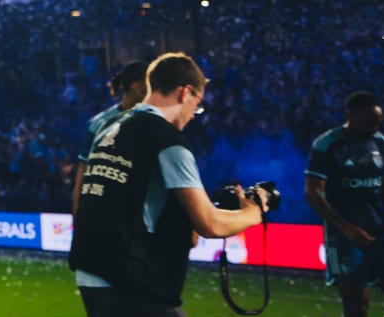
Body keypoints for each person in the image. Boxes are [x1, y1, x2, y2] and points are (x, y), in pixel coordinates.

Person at [69, 51, 269, 316]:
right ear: (185, 92)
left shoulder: (109, 128)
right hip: (127, 280)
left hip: (90, 272)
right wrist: (254, 211)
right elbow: (210, 224)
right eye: (197, 106)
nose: (194, 115)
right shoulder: (166, 139)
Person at [305, 90, 384, 317]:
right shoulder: (327, 144)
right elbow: (313, 192)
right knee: (357, 305)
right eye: (370, 121)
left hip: (379, 233)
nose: (375, 127)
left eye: (378, 122)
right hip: (343, 238)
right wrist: (346, 228)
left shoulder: (380, 143)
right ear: (351, 115)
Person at [73, 60, 149, 217]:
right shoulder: (98, 124)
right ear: (137, 87)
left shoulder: (154, 122)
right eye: (151, 83)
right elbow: (81, 178)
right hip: (105, 212)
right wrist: (77, 219)